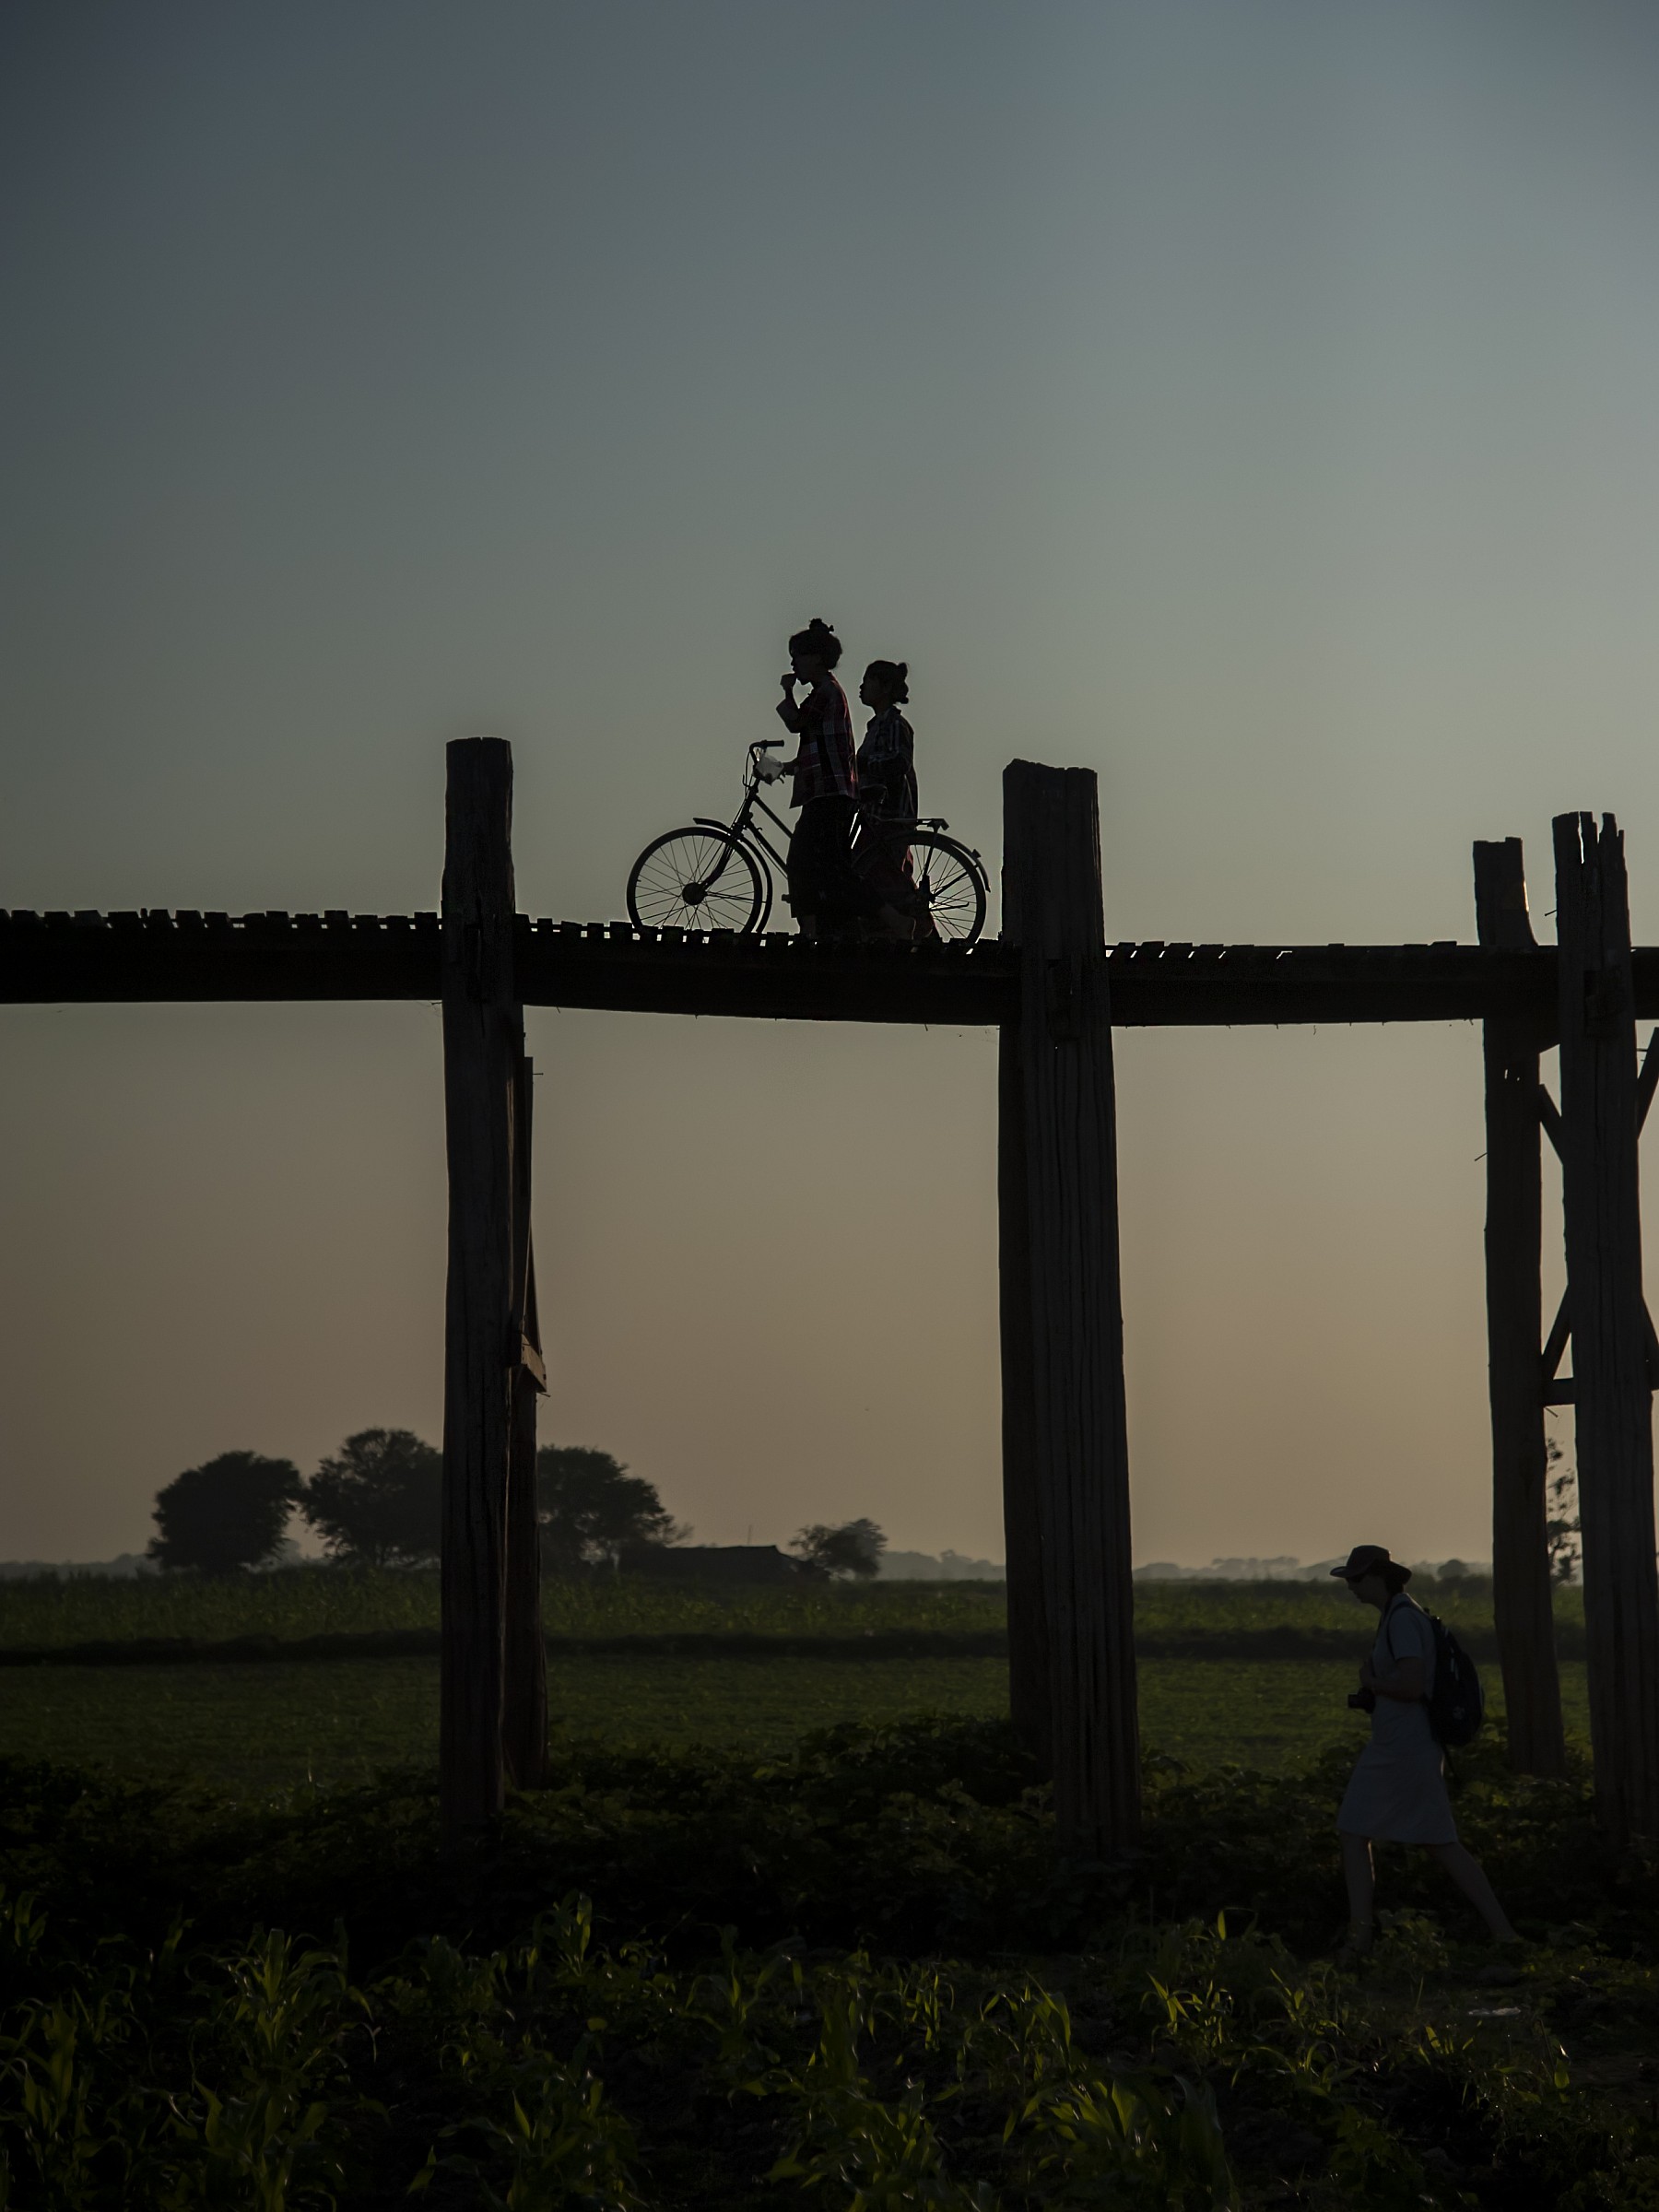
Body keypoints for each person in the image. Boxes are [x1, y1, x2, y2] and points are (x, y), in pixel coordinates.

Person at [1332, 1544, 1519, 1960]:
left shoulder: (1401, 1621)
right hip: (1404, 1745)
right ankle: (1504, 1934)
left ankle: (1359, 1939)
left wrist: (1372, 1682)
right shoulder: (1402, 1615)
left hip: (1403, 1749)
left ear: (1379, 1577)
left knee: (1360, 1830)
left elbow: (1413, 1686)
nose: (1350, 1587)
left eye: (1356, 1579)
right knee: (1431, 1841)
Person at [773, 618, 858, 937]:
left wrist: (786, 691)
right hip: (827, 789)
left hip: (829, 792)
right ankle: (814, 926)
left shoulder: (825, 692)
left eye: (798, 655)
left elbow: (797, 723)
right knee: (819, 863)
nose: (793, 663)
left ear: (817, 659)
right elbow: (818, 744)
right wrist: (788, 767)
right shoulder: (824, 692)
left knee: (805, 861)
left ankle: (811, 929)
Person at [853, 658, 923, 939]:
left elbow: (899, 762)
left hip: (889, 813)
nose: (861, 687)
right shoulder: (877, 725)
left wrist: (866, 765)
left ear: (883, 687)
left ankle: (917, 928)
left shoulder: (894, 724)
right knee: (879, 873)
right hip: (874, 812)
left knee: (878, 873)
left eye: (868, 680)